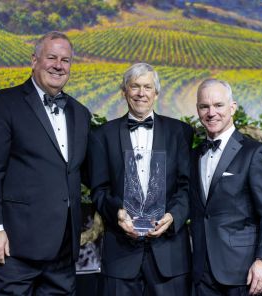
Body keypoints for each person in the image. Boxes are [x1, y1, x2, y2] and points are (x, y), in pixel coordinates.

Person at [0, 31, 91, 295]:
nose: (59, 65)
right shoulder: (4, 103)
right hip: (14, 247)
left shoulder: (81, 114)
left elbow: (86, 173)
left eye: (66, 60)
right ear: (34, 60)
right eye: (51, 57)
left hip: (62, 250)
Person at [88, 63, 193, 295]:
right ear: (124, 91)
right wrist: (117, 213)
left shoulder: (180, 132)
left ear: (156, 93)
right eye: (134, 86)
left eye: (147, 87)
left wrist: (173, 216)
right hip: (120, 256)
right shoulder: (102, 136)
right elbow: (99, 190)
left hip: (170, 256)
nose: (140, 93)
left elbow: (187, 187)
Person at [190, 78, 262, 296]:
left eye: (218, 105)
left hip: (242, 273)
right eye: (204, 106)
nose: (211, 112)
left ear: (233, 108)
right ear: (198, 110)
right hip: (201, 275)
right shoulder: (194, 155)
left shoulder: (255, 153)